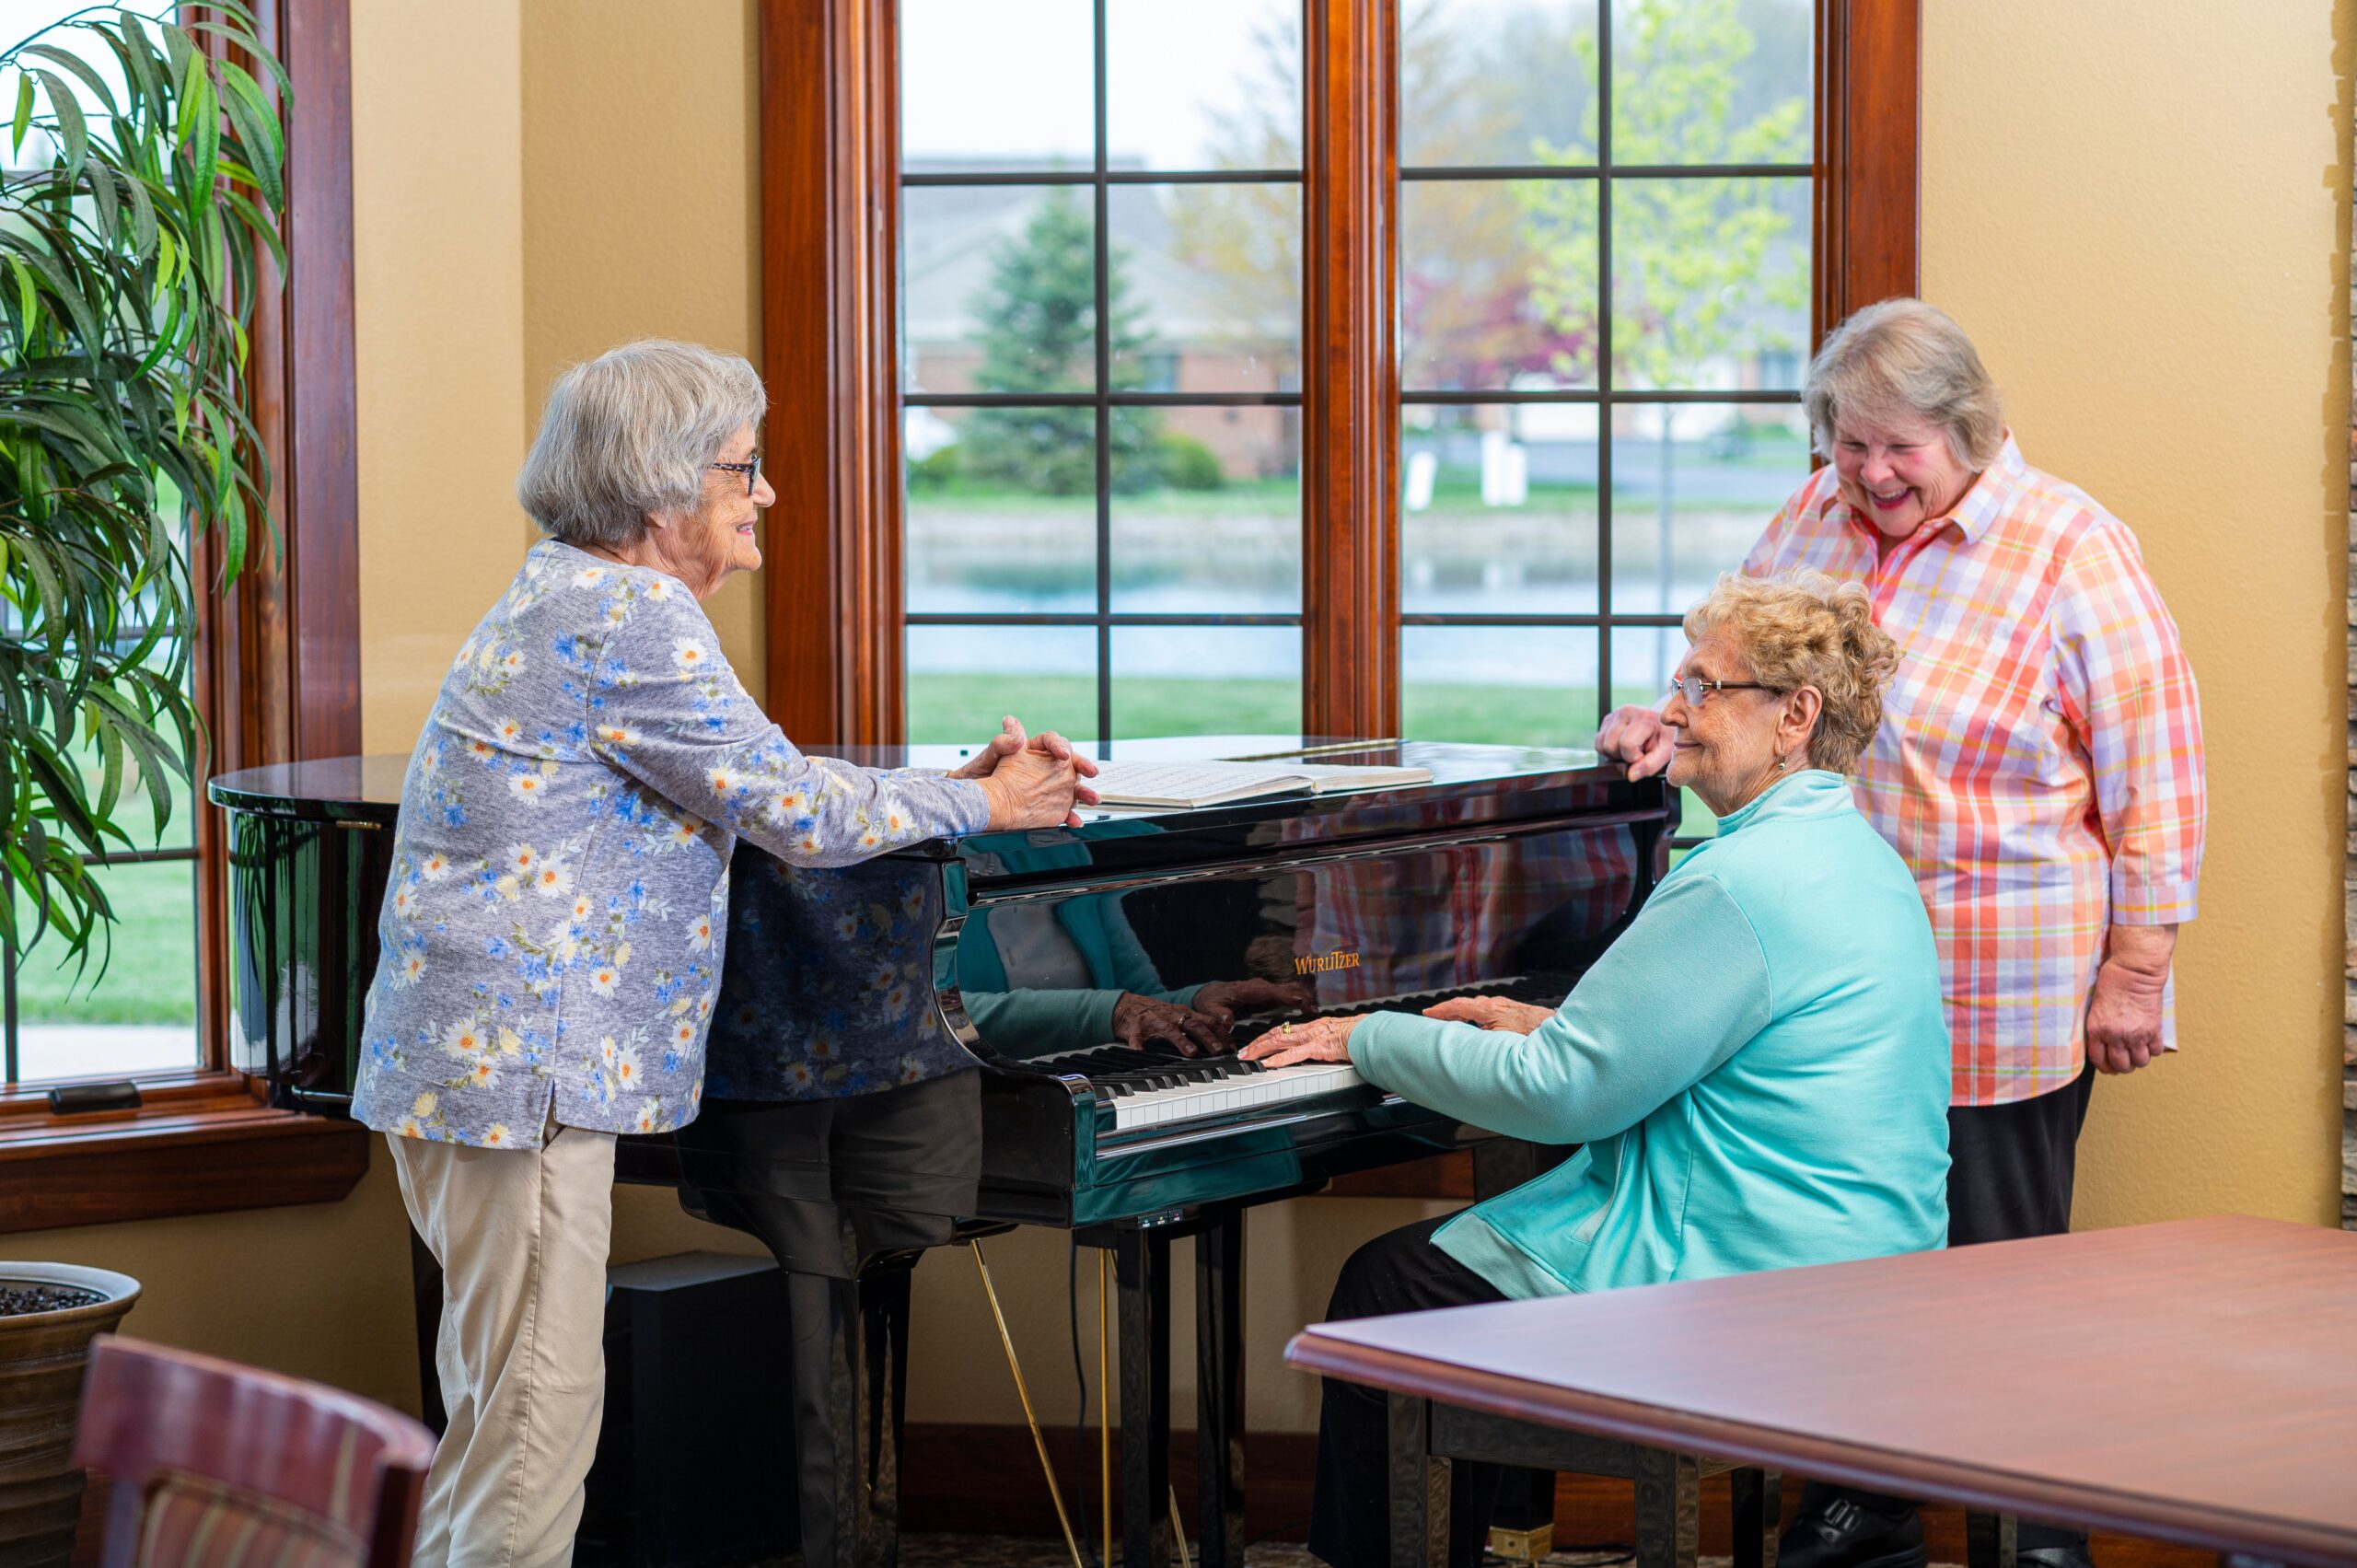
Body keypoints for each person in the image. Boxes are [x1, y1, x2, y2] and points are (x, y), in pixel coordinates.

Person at [351, 338, 1095, 1568]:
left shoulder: (563, 593)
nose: (766, 493)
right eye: (743, 467)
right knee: (538, 1411)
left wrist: (932, 786)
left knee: (497, 1410)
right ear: (662, 488)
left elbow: (762, 779)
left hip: (466, 1066)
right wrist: (992, 802)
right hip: (527, 1073)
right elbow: (793, 808)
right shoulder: (634, 612)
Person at [1597, 298, 2205, 1568]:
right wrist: (1673, 719)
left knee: (1997, 1274)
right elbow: (1729, 669)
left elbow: (2160, 768)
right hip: (1822, 973)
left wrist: (2139, 965)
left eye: (1901, 447)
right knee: (1839, 1255)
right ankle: (1853, 1511)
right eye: (1850, 441)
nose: (1870, 473)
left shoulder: (2069, 546)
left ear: (1968, 431)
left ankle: (2036, 1536)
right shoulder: (1810, 518)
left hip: (1996, 976)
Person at [1249, 572, 1952, 1568]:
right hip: (1856, 1262)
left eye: (1706, 686)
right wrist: (1553, 1022)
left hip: (1740, 1276)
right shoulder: (1854, 856)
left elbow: (1562, 1094)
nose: (1672, 709)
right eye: (1680, 681)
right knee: (1430, 1280)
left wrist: (1367, 1035)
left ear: (1796, 715)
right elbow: (1727, 1046)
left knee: (1385, 1288)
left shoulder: (1738, 878)